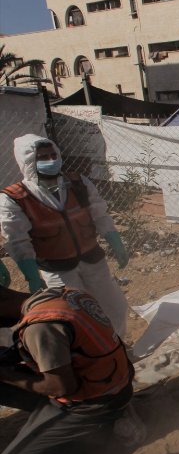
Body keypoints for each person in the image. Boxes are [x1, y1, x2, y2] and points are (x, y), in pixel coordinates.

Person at [0, 284, 135, 454]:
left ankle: (96, 434)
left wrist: (6, 375)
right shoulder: (64, 294)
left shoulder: (39, 327)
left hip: (90, 404)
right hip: (112, 381)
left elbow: (60, 387)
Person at [0, 135, 130, 337]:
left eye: (54, 155)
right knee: (76, 316)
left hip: (92, 258)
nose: (51, 160)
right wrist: (32, 276)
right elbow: (17, 241)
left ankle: (116, 345)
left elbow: (99, 214)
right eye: (43, 157)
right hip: (57, 268)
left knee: (115, 307)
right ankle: (90, 353)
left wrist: (115, 241)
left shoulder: (78, 183)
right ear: (29, 161)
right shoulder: (15, 198)